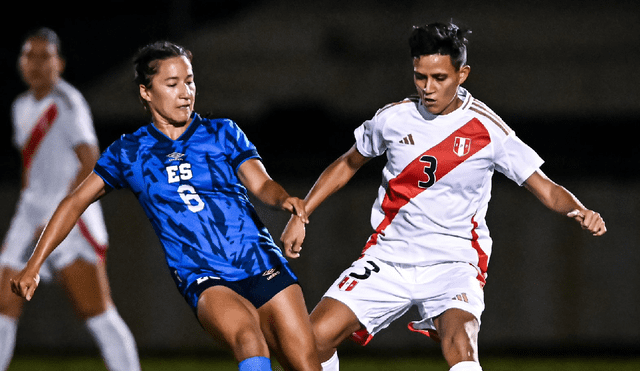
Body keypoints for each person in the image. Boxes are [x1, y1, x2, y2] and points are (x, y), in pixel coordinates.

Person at [281, 22, 606, 371]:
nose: (428, 88)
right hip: (390, 257)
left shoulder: (488, 129)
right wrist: (301, 214)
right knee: (307, 343)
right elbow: (348, 162)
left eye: (439, 78)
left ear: (462, 74)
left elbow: (544, 186)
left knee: (461, 348)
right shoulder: (393, 118)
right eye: (420, 77)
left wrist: (579, 209)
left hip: (454, 260)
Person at [10, 40, 321, 371]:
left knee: (304, 364)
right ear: (146, 92)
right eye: (172, 84)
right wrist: (33, 265)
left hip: (259, 261)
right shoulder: (130, 152)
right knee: (249, 338)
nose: (185, 92)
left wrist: (284, 199)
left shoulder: (223, 132)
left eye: (189, 81)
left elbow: (261, 184)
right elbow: (73, 203)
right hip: (203, 275)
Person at [0, 28, 140, 371]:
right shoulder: (20, 106)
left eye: (44, 56)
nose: (35, 63)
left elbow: (91, 161)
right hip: (30, 213)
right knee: (4, 305)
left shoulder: (67, 104)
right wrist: (29, 211)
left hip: (70, 220)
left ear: (59, 63)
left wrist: (59, 213)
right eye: (28, 55)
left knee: (96, 311)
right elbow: (31, 170)